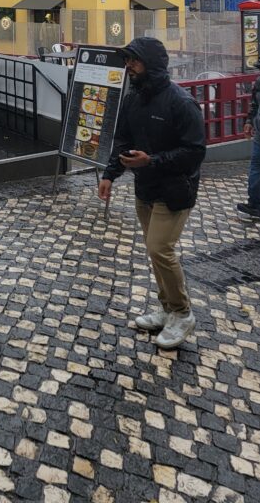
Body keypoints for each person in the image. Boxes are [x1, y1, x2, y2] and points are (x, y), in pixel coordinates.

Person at [98, 37, 206, 350]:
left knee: (160, 249)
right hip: (144, 187)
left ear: (152, 64)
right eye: (127, 60)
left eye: (134, 60)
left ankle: (182, 313)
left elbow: (195, 152)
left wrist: (152, 161)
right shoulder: (133, 99)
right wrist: (110, 174)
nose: (128, 66)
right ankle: (167, 308)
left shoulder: (181, 103)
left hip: (175, 190)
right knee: (153, 249)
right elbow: (123, 139)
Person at [237, 60, 260, 220]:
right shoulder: (259, 82)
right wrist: (249, 121)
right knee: (256, 168)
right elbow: (255, 104)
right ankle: (255, 204)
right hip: (259, 134)